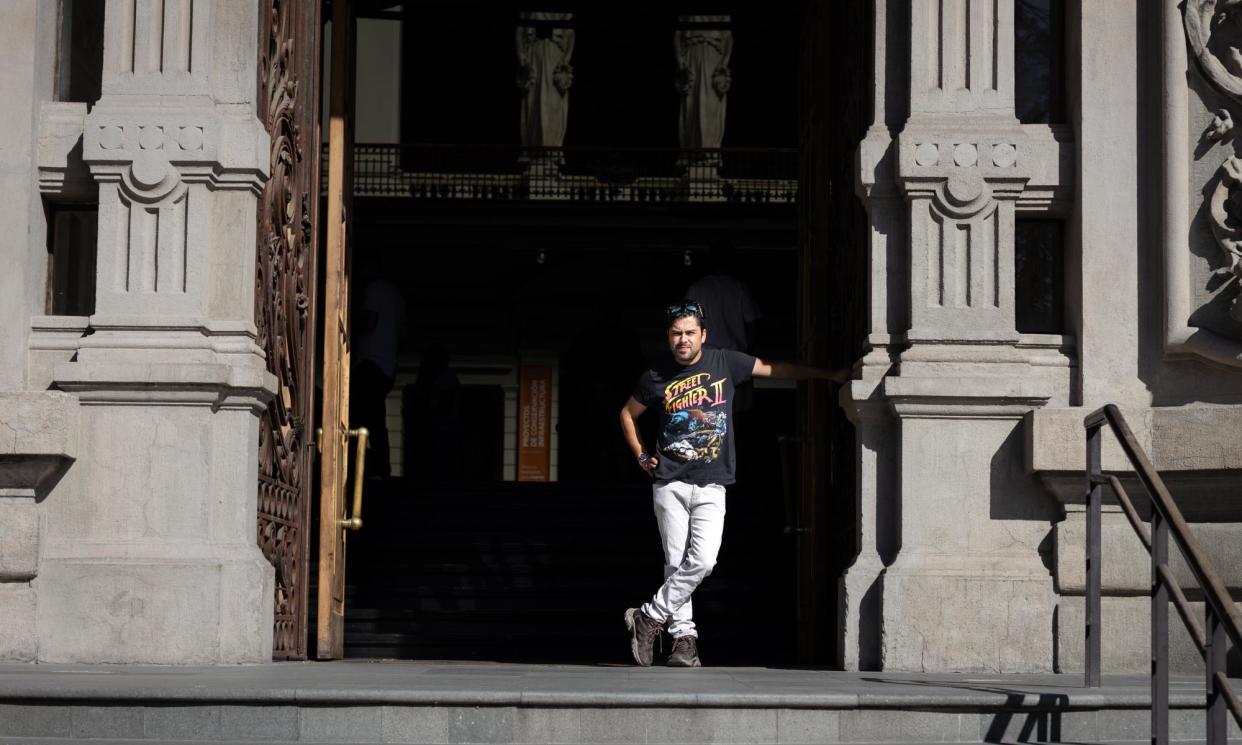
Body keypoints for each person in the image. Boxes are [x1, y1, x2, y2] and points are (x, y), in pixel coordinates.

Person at [618, 301, 848, 667]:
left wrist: (827, 375)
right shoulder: (655, 376)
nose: (683, 339)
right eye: (677, 333)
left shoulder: (725, 362)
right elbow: (628, 414)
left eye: (690, 332)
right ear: (668, 337)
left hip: (712, 483)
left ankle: (649, 614)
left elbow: (776, 368)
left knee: (704, 561)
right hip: (669, 483)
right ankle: (684, 642)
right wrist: (641, 455)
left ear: (703, 335)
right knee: (676, 563)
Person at [350, 253, 405, 479]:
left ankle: (360, 469)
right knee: (375, 418)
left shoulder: (373, 290)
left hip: (369, 362)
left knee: (361, 419)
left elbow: (369, 321)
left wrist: (345, 325)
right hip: (386, 365)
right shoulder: (397, 296)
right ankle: (380, 468)